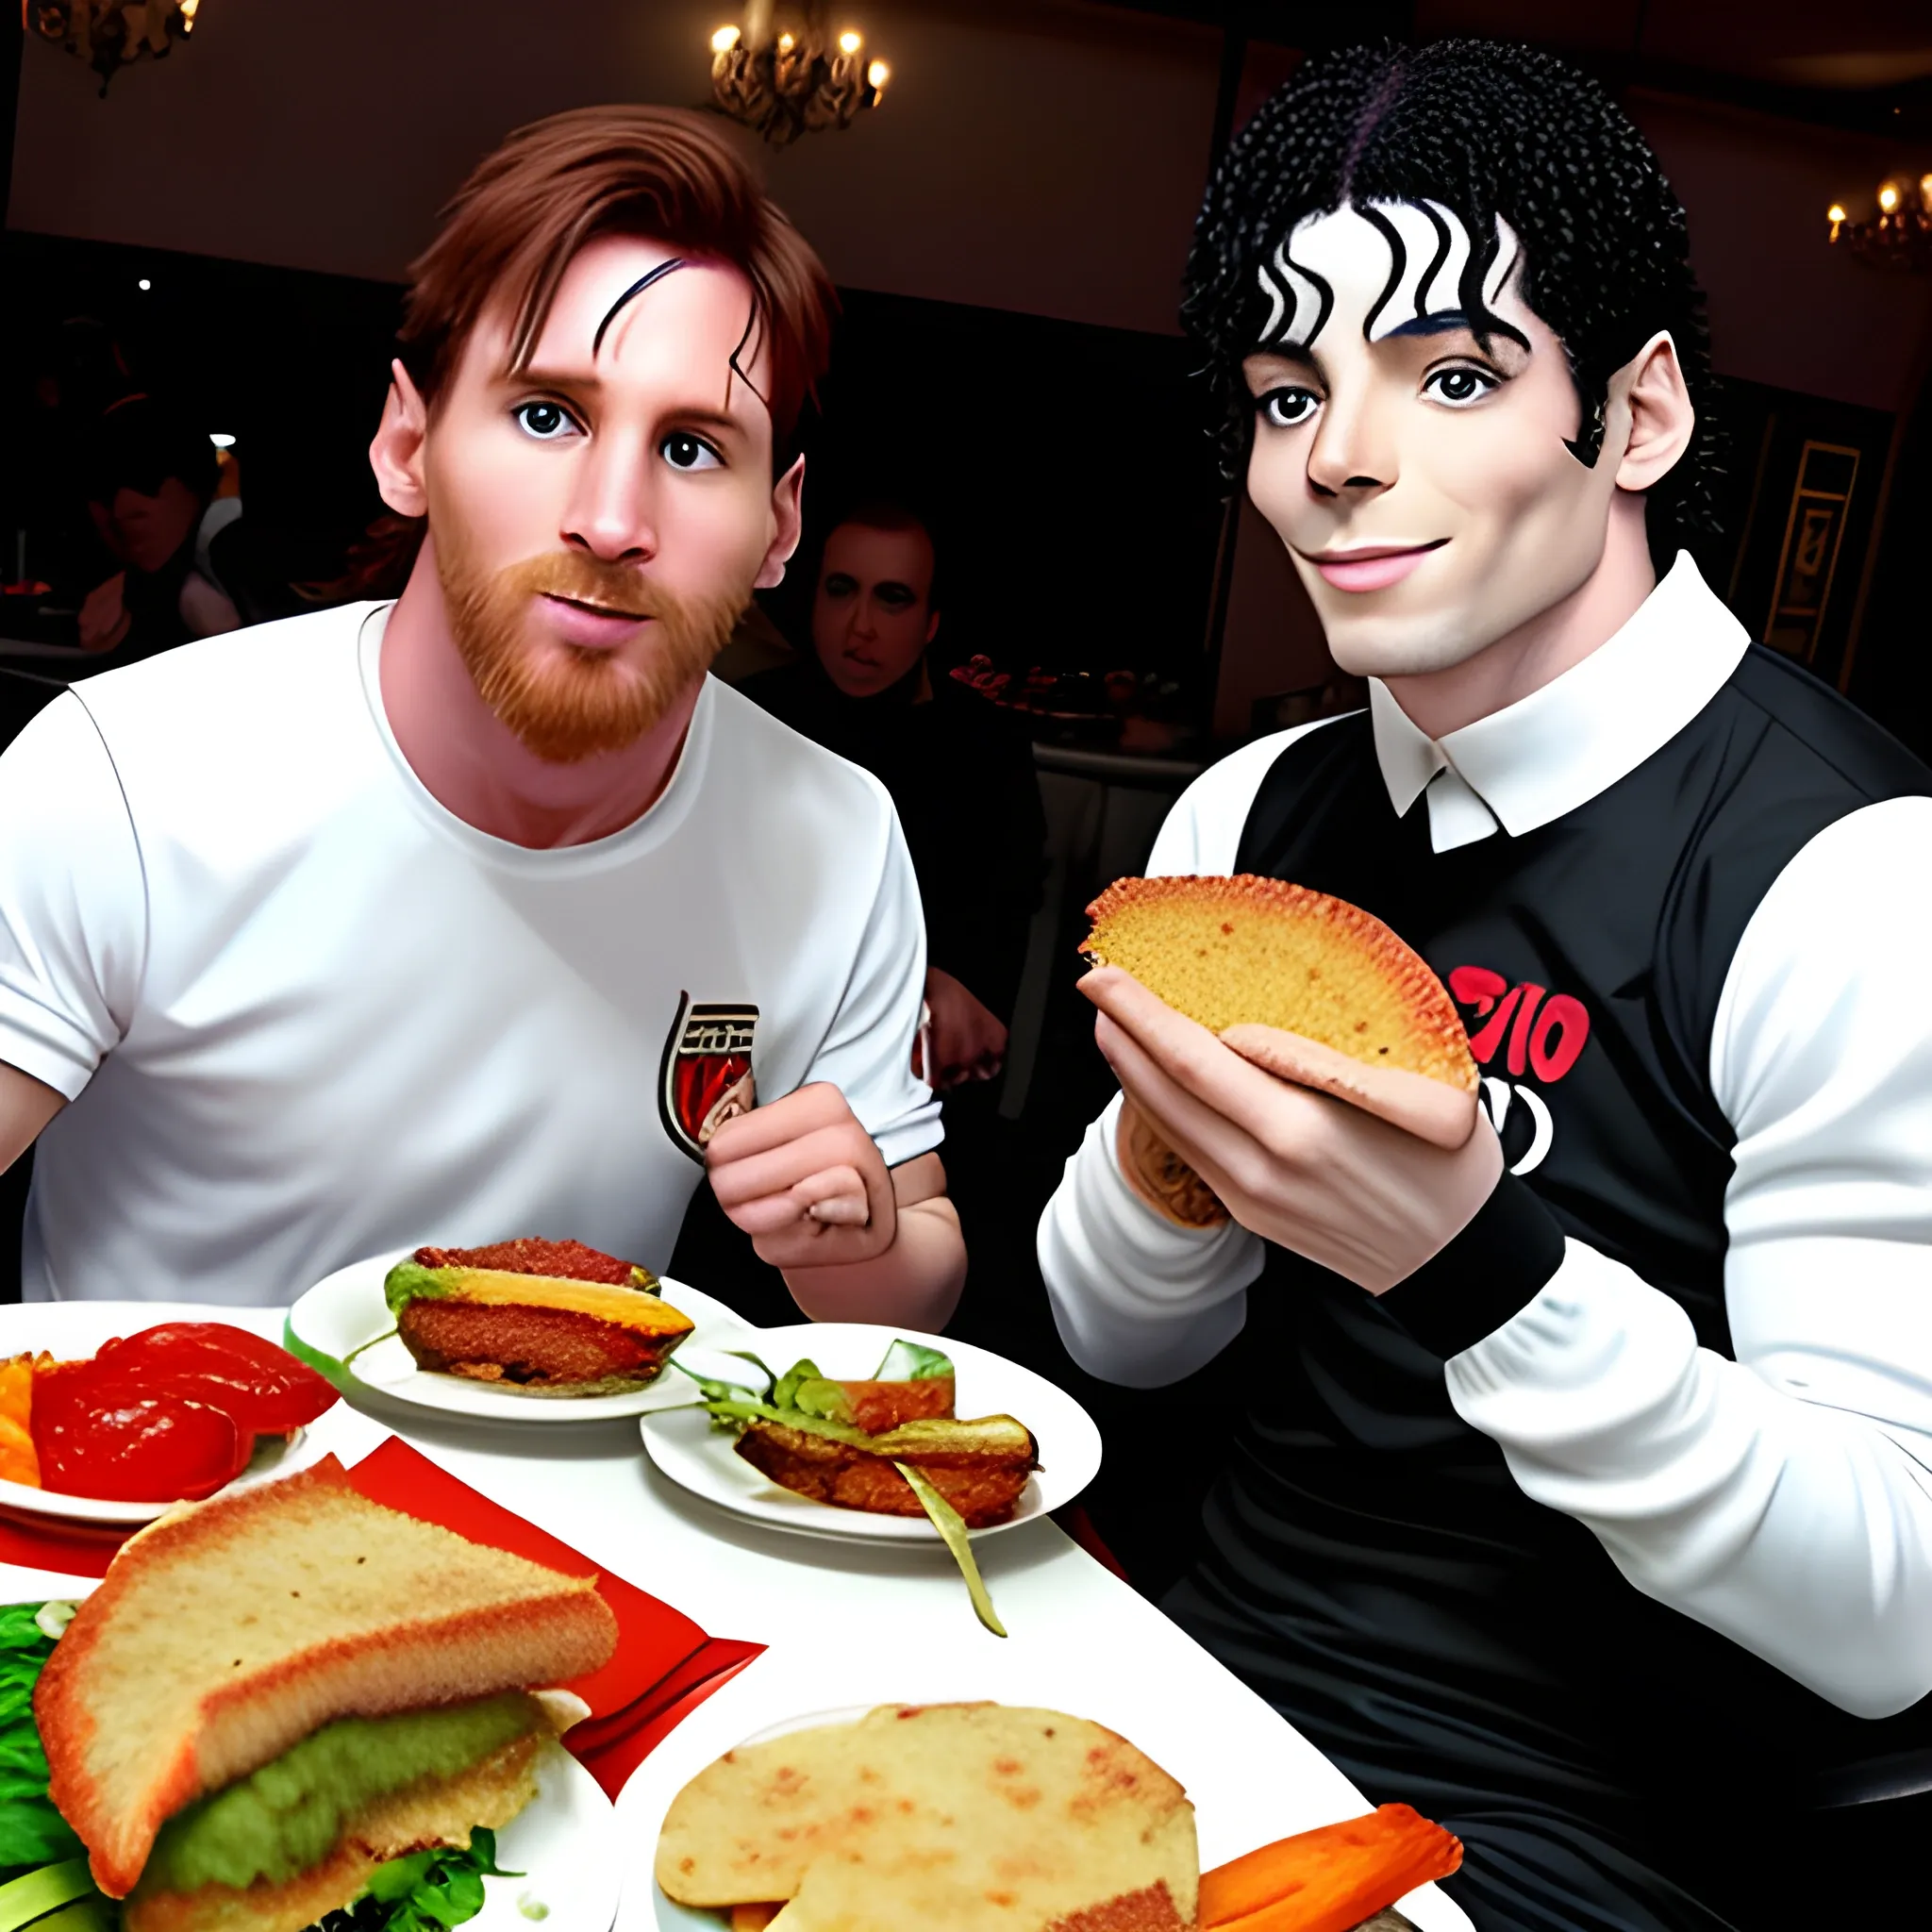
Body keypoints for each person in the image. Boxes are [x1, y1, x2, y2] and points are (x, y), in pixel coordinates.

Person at [1038, 41, 1932, 1932]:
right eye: (1291, 391)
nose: (1339, 457)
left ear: (1636, 418)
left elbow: (1891, 1611)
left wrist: (1475, 1260)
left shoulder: (1846, 877)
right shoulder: (1247, 812)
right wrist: (1166, 1161)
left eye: (1448, 375)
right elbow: (1117, 1347)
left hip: (1583, 1832)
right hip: (1185, 1698)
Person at [0, 106, 965, 1335]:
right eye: (547, 415)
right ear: (408, 444)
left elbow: (919, 1281)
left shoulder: (832, 833)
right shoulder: (127, 777)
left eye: (688, 444)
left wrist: (853, 1235)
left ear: (779, 526)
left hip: (552, 1514)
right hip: (142, 1496)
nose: (612, 519)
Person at [742, 501, 1046, 1091]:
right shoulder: (749, 715)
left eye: (892, 598)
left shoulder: (990, 748)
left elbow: (992, 945)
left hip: (906, 1077)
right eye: (841, 590)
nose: (860, 627)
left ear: (930, 622)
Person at [75, 393, 245, 661]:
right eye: (104, 489)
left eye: (146, 476)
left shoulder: (235, 560)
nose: (122, 509)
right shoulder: (113, 595)